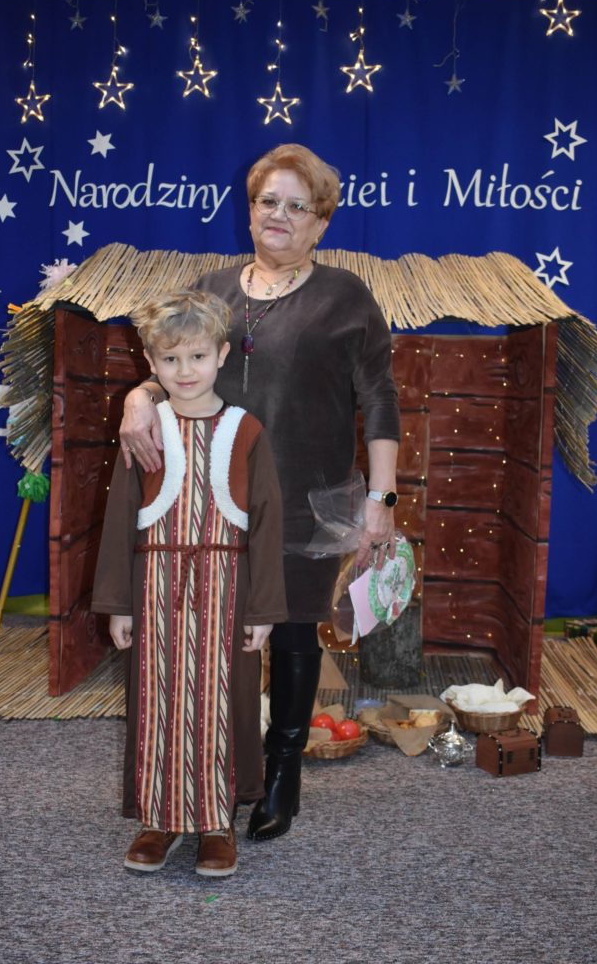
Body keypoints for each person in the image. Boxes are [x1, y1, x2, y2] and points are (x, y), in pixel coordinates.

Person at [120, 143, 401, 842]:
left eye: (296, 206)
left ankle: (283, 773)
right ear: (249, 211)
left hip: (305, 498)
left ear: (321, 223)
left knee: (294, 630)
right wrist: (137, 396)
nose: (279, 215)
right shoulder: (213, 285)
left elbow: (380, 401)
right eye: (267, 201)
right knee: (213, 633)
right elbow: (172, 362)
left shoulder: (346, 296)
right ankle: (213, 766)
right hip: (211, 496)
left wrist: (382, 500)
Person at [92, 290, 287, 878]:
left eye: (197, 356)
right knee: (157, 702)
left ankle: (215, 823)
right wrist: (118, 603)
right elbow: (121, 518)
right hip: (155, 588)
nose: (185, 371)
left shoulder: (245, 431)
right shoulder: (144, 430)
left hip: (229, 589)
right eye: (171, 359)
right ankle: (159, 818)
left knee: (222, 702)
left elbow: (268, 521)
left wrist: (263, 609)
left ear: (221, 355)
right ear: (151, 363)